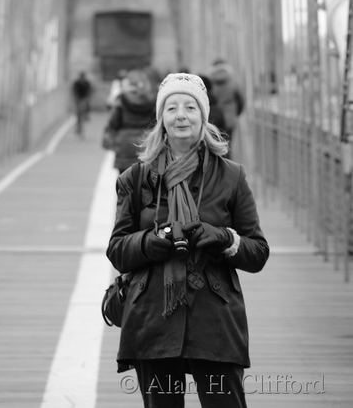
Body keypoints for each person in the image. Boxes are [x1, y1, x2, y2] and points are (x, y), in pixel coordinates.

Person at [106, 72, 269, 407]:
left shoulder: (231, 176)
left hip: (214, 317)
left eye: (190, 107)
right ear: (161, 119)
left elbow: (258, 252)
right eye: (172, 108)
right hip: (153, 316)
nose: (181, 115)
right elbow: (118, 250)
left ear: (203, 117)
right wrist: (155, 241)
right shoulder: (135, 178)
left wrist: (224, 238)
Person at [103, 69, 157, 173]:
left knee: (124, 183)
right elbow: (155, 124)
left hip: (124, 145)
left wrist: (112, 142)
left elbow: (113, 123)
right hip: (144, 144)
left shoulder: (121, 100)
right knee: (143, 183)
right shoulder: (152, 100)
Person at [208, 59, 245, 156]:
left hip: (214, 119)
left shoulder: (211, 83)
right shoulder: (233, 83)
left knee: (215, 147)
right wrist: (235, 114)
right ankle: (228, 168)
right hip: (229, 120)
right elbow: (241, 101)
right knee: (228, 146)